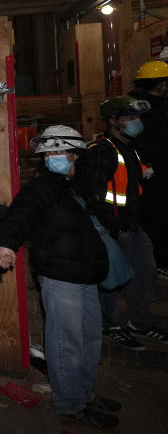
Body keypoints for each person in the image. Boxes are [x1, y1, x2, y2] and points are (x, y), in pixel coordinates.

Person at [0, 125, 121, 429]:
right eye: (48, 153)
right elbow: (17, 218)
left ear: (75, 155)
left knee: (88, 341)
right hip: (61, 277)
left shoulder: (80, 186)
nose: (52, 157)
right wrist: (6, 245)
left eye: (59, 151)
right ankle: (71, 402)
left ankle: (85, 394)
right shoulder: (41, 188)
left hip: (86, 276)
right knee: (66, 343)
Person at [81, 96, 165, 350]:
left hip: (132, 225)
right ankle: (111, 324)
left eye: (137, 117)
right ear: (112, 121)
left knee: (146, 270)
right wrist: (107, 226)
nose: (134, 122)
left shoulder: (130, 148)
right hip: (112, 227)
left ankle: (139, 322)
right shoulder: (102, 150)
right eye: (128, 117)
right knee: (111, 277)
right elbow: (92, 192)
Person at [128, 61, 168, 277]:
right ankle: (158, 263)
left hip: (153, 171)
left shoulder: (153, 104)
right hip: (152, 173)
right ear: (160, 85)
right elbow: (148, 142)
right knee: (157, 218)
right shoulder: (143, 108)